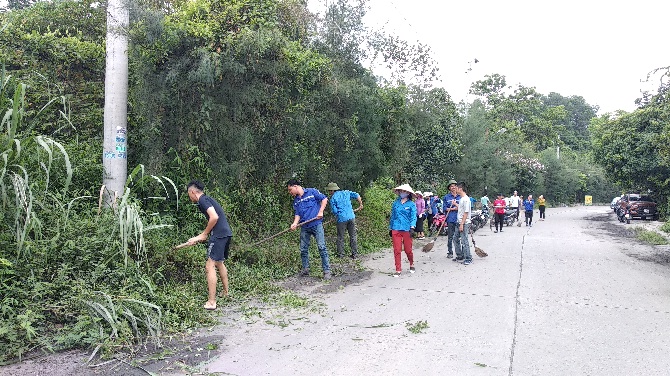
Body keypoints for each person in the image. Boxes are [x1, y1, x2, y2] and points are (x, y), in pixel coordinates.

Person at [186, 180, 232, 311]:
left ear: (192, 192)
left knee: (209, 265)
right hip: (226, 233)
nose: (190, 197)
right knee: (219, 262)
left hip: (218, 234)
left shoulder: (202, 201)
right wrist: (201, 236)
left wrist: (204, 234)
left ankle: (212, 302)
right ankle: (225, 292)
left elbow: (214, 217)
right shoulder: (207, 199)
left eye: (189, 194)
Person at [287, 179, 332, 280]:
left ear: (295, 186)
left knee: (321, 247)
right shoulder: (296, 200)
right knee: (303, 249)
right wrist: (294, 223)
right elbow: (297, 214)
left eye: (290, 190)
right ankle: (306, 269)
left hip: (316, 224)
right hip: (305, 227)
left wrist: (321, 212)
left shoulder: (312, 192)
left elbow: (324, 199)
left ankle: (327, 271)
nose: (290, 192)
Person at [325, 182, 363, 259]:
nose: (329, 192)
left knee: (340, 237)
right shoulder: (346, 192)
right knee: (353, 236)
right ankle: (355, 254)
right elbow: (357, 195)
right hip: (351, 217)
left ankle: (341, 255)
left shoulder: (333, 199)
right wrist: (360, 204)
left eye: (329, 191)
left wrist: (336, 215)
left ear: (332, 190)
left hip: (341, 219)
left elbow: (335, 211)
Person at [389, 183, 417, 277]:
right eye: (401, 191)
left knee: (408, 250)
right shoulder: (395, 203)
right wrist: (390, 227)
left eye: (404, 191)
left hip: (407, 229)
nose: (402, 193)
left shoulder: (411, 204)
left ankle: (411, 263)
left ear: (408, 193)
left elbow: (413, 217)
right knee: (397, 249)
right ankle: (398, 269)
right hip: (396, 228)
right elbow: (392, 216)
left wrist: (412, 227)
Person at [454, 182, 473, 265]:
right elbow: (461, 209)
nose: (455, 189)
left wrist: (462, 224)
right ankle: (460, 255)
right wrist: (455, 204)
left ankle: (468, 257)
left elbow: (466, 212)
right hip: (459, 222)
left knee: (464, 240)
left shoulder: (466, 199)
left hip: (464, 223)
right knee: (455, 238)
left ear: (460, 189)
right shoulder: (462, 199)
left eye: (456, 188)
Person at [442, 180, 461, 259]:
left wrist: (458, 208)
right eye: (451, 186)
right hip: (450, 219)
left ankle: (459, 253)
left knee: (459, 237)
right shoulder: (446, 197)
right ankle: (450, 252)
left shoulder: (461, 196)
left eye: (454, 186)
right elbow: (444, 208)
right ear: (449, 188)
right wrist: (453, 209)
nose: (453, 187)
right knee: (450, 237)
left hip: (460, 219)